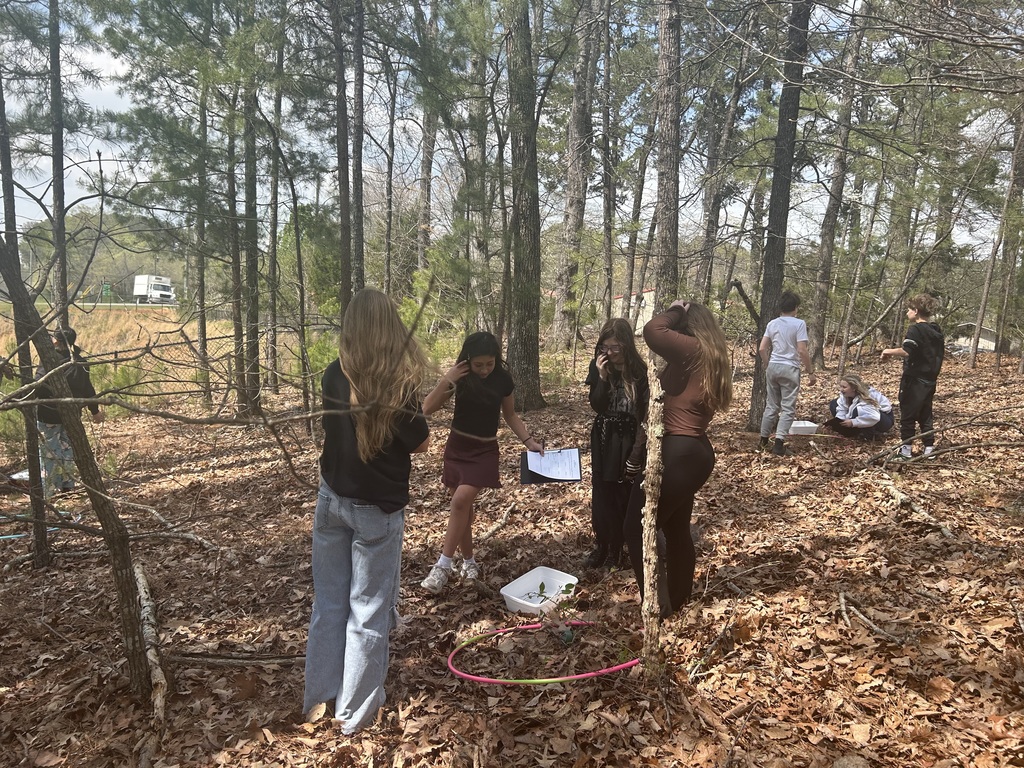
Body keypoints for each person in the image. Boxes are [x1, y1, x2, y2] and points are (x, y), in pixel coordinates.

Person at [303, 288, 431, 733]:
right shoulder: (399, 384)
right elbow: (420, 441)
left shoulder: (332, 375)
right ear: (388, 328)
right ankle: (352, 717)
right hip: (376, 510)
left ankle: (320, 700)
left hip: (331, 500)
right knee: (368, 612)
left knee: (330, 604)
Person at [623, 300, 732, 618]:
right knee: (675, 527)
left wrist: (675, 309)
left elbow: (652, 331)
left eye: (680, 324)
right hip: (692, 451)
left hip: (679, 453)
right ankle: (677, 600)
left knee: (636, 527)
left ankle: (656, 606)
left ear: (688, 326)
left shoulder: (694, 350)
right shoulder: (707, 353)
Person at [419, 332, 543, 593]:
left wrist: (529, 441)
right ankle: (469, 561)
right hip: (457, 448)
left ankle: (442, 566)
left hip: (484, 451)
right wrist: (447, 380)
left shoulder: (503, 379)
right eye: (479, 365)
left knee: (460, 501)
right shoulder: (460, 377)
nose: (485, 370)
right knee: (464, 509)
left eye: (490, 363)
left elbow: (510, 415)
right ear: (468, 360)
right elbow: (427, 408)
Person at [584, 318, 648, 569]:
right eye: (605, 348)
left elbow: (644, 417)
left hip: (629, 437)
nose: (609, 354)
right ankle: (603, 544)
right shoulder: (600, 366)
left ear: (626, 345)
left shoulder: (640, 371)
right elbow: (597, 406)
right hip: (604, 436)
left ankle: (619, 546)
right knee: (602, 491)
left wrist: (636, 454)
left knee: (623, 492)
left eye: (615, 348)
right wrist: (601, 377)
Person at [35, 328, 104, 498]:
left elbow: (39, 386)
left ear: (56, 341)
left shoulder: (48, 361)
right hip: (72, 414)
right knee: (66, 449)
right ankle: (67, 485)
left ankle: (48, 491)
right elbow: (88, 389)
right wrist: (95, 411)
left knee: (49, 453)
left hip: (48, 414)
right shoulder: (80, 362)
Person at [881, 293, 944, 459]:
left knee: (908, 413)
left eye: (908, 310)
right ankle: (929, 450)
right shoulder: (936, 330)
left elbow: (907, 351)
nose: (907, 313)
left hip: (914, 380)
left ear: (916, 311)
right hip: (930, 381)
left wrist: (888, 351)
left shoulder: (915, 329)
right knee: (925, 414)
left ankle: (905, 451)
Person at [757, 290, 816, 456]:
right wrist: (810, 372)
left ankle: (762, 441)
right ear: (795, 308)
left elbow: (762, 348)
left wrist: (768, 364)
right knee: (787, 407)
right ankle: (778, 444)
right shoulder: (799, 324)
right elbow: (802, 350)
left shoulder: (772, 324)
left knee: (771, 405)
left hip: (774, 366)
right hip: (790, 368)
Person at [826, 373, 894, 438]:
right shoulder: (846, 395)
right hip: (872, 416)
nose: (841, 389)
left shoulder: (866, 397)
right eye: (841, 386)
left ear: (853, 388)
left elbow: (874, 417)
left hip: (884, 419)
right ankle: (853, 430)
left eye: (844, 387)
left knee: (857, 410)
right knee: (834, 403)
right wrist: (839, 421)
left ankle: (870, 434)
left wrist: (853, 422)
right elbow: (842, 408)